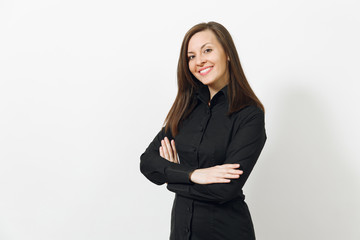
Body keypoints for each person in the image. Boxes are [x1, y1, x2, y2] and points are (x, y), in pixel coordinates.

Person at [140, 21, 267, 240]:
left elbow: (225, 190)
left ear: (227, 53)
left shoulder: (249, 115)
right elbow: (147, 162)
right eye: (191, 56)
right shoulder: (185, 110)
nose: (199, 61)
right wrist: (194, 174)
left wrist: (172, 175)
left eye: (207, 50)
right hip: (181, 232)